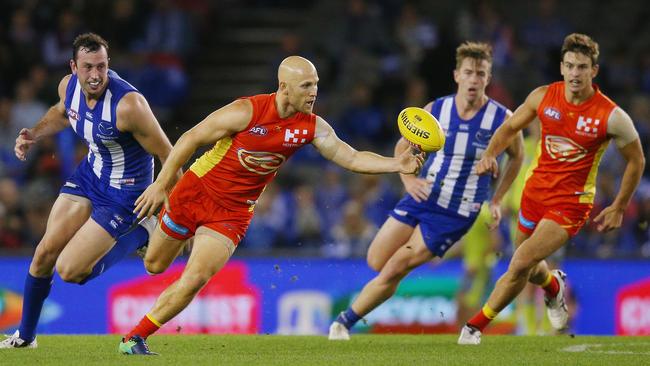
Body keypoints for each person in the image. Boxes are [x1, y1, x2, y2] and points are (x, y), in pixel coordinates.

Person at [117, 55, 424, 355]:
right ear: (284, 87)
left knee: (196, 278)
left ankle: (135, 338)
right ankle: (156, 232)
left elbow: (351, 157)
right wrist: (161, 184)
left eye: (315, 84)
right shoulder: (246, 111)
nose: (314, 91)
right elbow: (190, 138)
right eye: (306, 85)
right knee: (154, 266)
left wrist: (397, 163)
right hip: (196, 192)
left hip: (233, 213)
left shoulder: (311, 126)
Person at [328, 41, 524, 340]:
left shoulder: (503, 119)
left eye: (481, 73)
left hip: (458, 210)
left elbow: (517, 157)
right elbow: (403, 147)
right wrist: (408, 180)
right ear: (457, 75)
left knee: (397, 265)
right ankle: (352, 317)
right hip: (424, 195)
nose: (474, 79)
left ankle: (343, 323)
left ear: (488, 77)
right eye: (469, 72)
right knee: (377, 260)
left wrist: (497, 199)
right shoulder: (436, 110)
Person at [458, 33, 645, 345]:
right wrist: (490, 154)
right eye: (570, 66)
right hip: (534, 194)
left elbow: (636, 160)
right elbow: (509, 128)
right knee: (529, 268)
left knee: (519, 262)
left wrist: (619, 205)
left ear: (593, 71)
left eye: (582, 67)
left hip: (570, 204)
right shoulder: (543, 97)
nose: (575, 73)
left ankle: (473, 327)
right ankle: (553, 288)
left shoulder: (611, 116)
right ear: (561, 67)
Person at [0, 33, 176, 349]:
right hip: (90, 177)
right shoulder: (68, 86)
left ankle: (144, 231)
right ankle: (25, 337)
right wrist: (34, 134)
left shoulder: (129, 105)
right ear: (74, 67)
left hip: (125, 194)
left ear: (109, 65)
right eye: (88, 67)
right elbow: (61, 111)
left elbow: (169, 153)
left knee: (70, 271)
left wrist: (165, 195)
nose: (95, 75)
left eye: (102, 67)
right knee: (43, 253)